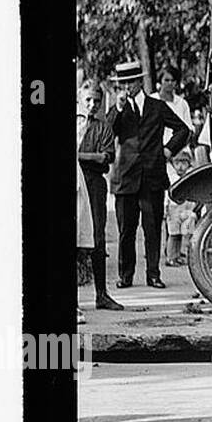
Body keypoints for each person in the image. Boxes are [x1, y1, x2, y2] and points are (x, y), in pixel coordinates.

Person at [109, 60, 192, 289]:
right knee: (126, 230)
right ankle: (125, 276)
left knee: (153, 228)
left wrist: (167, 150)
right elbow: (108, 131)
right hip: (126, 177)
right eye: (121, 84)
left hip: (152, 177)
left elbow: (184, 129)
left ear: (139, 82)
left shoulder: (156, 106)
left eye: (129, 83)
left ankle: (153, 275)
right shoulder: (118, 108)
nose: (126, 88)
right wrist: (117, 108)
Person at [76, 82, 122, 311]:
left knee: (97, 237)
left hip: (93, 183)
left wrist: (79, 156)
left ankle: (101, 294)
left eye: (97, 101)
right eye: (88, 100)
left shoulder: (103, 127)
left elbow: (107, 157)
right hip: (73, 181)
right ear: (79, 98)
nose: (92, 105)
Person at [164, 149, 197, 266]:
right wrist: (165, 208)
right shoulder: (171, 178)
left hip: (187, 209)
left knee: (186, 233)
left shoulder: (190, 177)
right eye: (177, 164)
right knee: (174, 234)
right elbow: (167, 196)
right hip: (174, 209)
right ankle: (171, 257)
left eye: (184, 163)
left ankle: (181, 255)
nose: (180, 167)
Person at [154, 65, 192, 148]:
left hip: (179, 151)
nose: (170, 83)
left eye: (173, 80)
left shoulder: (182, 103)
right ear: (160, 81)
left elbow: (188, 130)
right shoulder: (152, 100)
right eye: (166, 80)